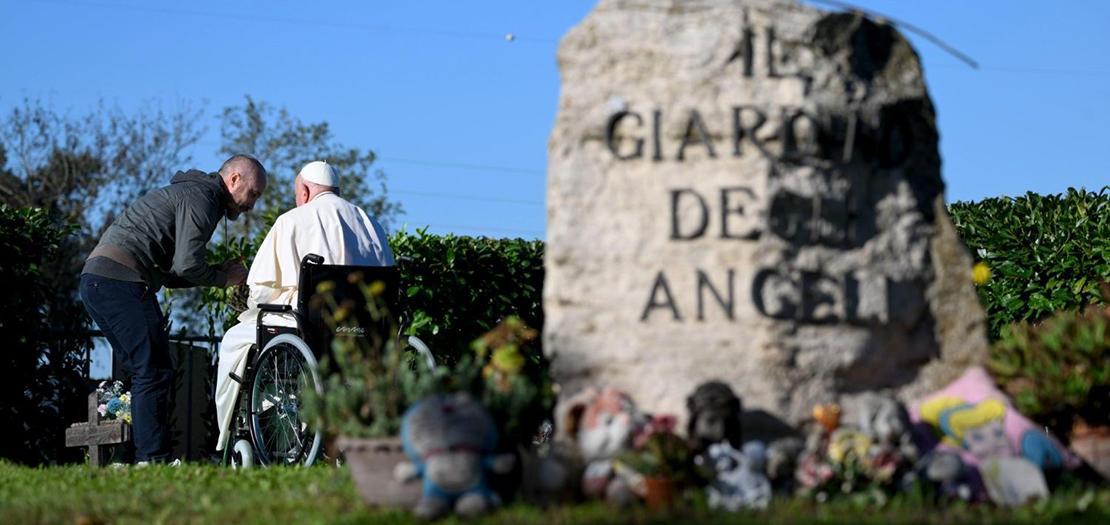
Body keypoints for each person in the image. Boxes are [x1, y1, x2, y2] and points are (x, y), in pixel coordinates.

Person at [80, 155, 267, 464]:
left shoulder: (192, 194)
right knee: (152, 369)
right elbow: (188, 265)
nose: (252, 204)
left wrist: (218, 272)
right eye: (253, 193)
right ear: (234, 179)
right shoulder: (203, 199)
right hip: (120, 280)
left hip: (99, 280)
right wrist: (225, 278)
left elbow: (173, 273)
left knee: (142, 372)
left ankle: (125, 457)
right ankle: (152, 460)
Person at [215, 160, 394, 452]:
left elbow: (260, 289)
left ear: (305, 191)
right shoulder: (370, 224)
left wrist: (250, 304)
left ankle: (225, 438)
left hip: (307, 327)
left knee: (234, 340)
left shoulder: (292, 220)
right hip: (362, 329)